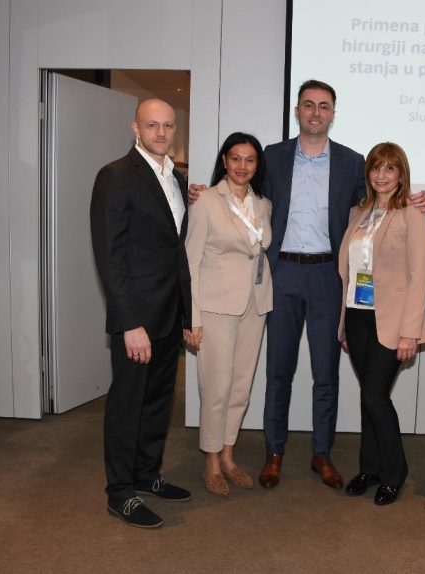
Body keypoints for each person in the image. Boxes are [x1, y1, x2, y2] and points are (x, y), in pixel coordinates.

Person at [187, 80, 425, 490]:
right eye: (308, 105)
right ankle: (274, 453)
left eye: (324, 106)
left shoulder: (353, 162)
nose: (316, 112)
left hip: (328, 277)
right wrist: (200, 191)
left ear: (333, 113)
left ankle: (322, 454)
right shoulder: (273, 156)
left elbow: (375, 205)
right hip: (280, 273)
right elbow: (242, 195)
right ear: (297, 111)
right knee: (277, 371)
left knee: (326, 374)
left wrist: (419, 200)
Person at [90, 98, 193, 529]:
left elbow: (174, 249)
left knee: (158, 401)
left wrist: (186, 314)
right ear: (136, 128)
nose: (162, 133)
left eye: (168, 125)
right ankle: (119, 492)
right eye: (153, 125)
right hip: (137, 318)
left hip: (169, 312)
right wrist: (128, 323)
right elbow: (109, 256)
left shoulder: (176, 178)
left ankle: (147, 474)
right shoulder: (115, 176)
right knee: (128, 404)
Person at [337, 142, 425, 506]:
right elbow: (350, 272)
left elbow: (419, 275)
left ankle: (394, 471)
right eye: (376, 168)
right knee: (368, 395)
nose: (382, 175)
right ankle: (370, 468)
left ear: (401, 174)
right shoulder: (358, 212)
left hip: (392, 320)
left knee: (375, 395)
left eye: (390, 168)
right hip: (358, 316)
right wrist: (344, 324)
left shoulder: (411, 214)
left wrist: (411, 332)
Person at [183, 133, 272, 497]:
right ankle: (211, 461)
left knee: (240, 387)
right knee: (216, 387)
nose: (242, 166)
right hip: (216, 306)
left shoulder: (262, 204)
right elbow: (190, 262)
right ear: (224, 161)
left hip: (255, 304)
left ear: (257, 165)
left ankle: (229, 457)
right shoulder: (205, 201)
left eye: (249, 160)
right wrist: (192, 317)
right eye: (235, 158)